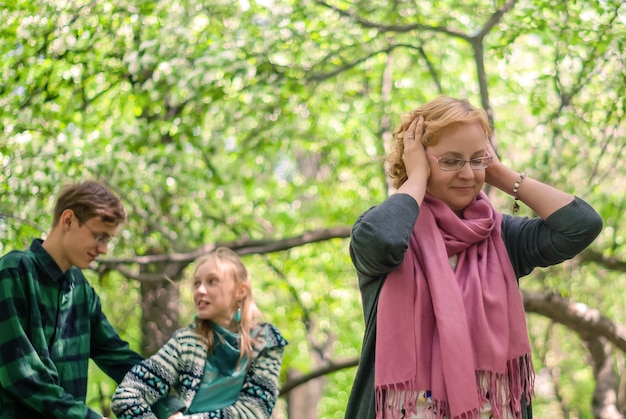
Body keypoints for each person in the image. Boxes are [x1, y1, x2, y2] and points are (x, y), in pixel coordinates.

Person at [345, 96, 603, 419]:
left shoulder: (502, 236)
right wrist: (416, 181)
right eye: (451, 161)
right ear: (419, 162)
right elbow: (383, 241)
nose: (467, 174)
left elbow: (582, 225)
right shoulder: (387, 231)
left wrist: (499, 173)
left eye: (476, 159)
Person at [0, 180, 151, 418]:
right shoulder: (14, 272)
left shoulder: (81, 290)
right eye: (99, 236)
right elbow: (20, 375)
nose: (103, 250)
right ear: (68, 220)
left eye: (107, 240)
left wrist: (169, 404)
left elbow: (117, 356)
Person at [111, 247, 288, 419]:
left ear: (240, 291)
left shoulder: (265, 341)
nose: (200, 291)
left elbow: (254, 412)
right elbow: (127, 394)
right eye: (197, 284)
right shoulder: (186, 342)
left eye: (212, 281)